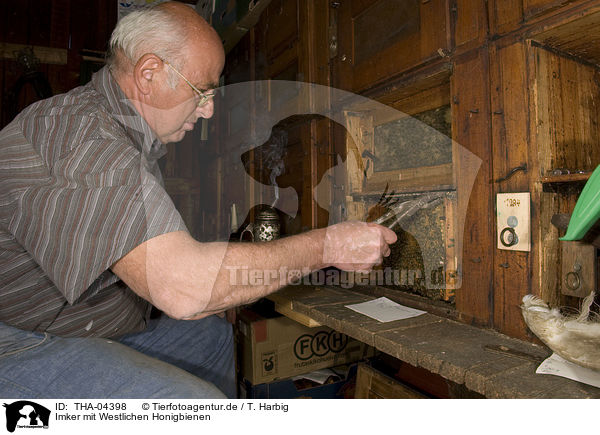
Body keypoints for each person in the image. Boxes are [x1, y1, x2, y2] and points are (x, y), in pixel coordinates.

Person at [0, 1, 396, 399]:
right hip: (17, 340)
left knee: (213, 338)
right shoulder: (84, 140)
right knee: (197, 405)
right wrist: (328, 245)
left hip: (85, 325)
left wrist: (217, 286)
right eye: (201, 90)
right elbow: (183, 289)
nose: (207, 110)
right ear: (149, 73)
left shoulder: (124, 133)